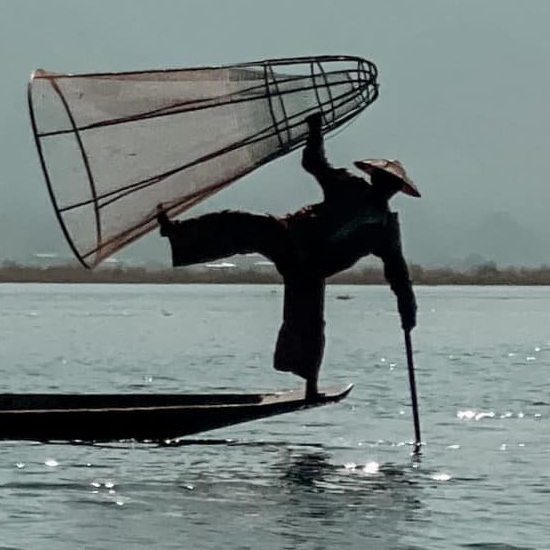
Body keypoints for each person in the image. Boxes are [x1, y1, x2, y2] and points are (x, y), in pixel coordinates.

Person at [157, 117, 419, 397]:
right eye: (381, 180)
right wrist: (315, 133)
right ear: (373, 178)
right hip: (288, 237)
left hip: (311, 267)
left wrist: (407, 310)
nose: (383, 186)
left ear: (393, 191)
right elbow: (314, 164)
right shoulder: (349, 187)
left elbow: (398, 273)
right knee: (239, 223)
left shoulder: (384, 229)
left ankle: (310, 386)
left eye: (389, 185)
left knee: (309, 322)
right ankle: (178, 233)